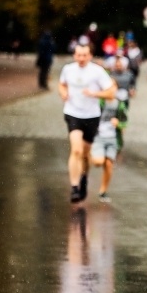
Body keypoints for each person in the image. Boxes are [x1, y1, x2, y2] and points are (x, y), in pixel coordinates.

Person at [58, 44, 117, 203]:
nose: (81, 58)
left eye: (84, 55)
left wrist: (94, 93)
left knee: (85, 154)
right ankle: (75, 187)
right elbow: (61, 84)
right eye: (78, 55)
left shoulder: (97, 72)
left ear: (90, 56)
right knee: (76, 150)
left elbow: (111, 91)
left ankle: (84, 177)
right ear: (74, 55)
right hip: (72, 113)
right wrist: (63, 93)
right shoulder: (68, 69)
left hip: (91, 116)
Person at [90, 91, 128, 202]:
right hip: (99, 137)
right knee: (98, 162)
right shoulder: (98, 103)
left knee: (109, 164)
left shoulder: (120, 105)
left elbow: (125, 123)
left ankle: (103, 191)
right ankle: (92, 154)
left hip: (113, 139)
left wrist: (119, 124)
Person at [107, 55, 136, 150]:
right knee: (115, 116)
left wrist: (132, 90)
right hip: (115, 99)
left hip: (125, 99)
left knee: (123, 115)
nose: (118, 66)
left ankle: (121, 131)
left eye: (120, 65)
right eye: (117, 65)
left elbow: (133, 83)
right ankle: (115, 134)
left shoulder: (129, 74)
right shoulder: (111, 74)